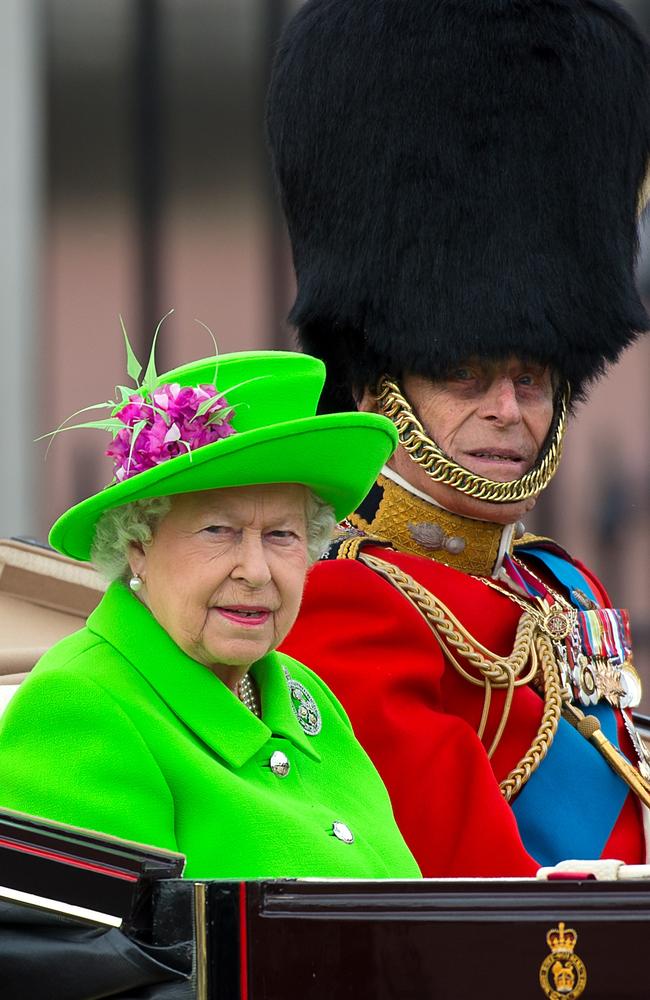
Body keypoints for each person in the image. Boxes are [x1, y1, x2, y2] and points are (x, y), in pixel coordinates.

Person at [268, 0, 650, 876]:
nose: (508, 410)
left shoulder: (554, 582)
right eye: (466, 376)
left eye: (532, 379)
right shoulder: (348, 603)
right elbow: (479, 899)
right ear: (378, 384)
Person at [0, 347, 420, 880]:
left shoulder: (306, 696)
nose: (257, 570)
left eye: (281, 535)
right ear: (139, 546)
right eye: (218, 531)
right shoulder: (79, 706)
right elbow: (110, 959)